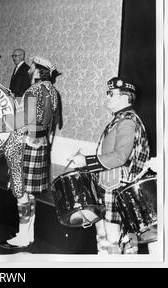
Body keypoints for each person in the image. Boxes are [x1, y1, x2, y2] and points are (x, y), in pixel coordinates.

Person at [71, 77, 150, 254]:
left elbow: (120, 157)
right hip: (109, 183)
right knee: (104, 233)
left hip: (117, 186)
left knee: (114, 237)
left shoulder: (128, 121)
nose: (107, 97)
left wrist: (87, 161)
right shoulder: (120, 119)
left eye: (111, 94)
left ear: (125, 97)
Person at [0, 56, 62, 249]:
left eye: (32, 67)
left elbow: (25, 117)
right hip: (40, 144)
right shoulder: (52, 90)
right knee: (30, 193)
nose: (28, 69)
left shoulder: (34, 90)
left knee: (21, 191)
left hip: (26, 144)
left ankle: (22, 237)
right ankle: (28, 233)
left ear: (37, 70)